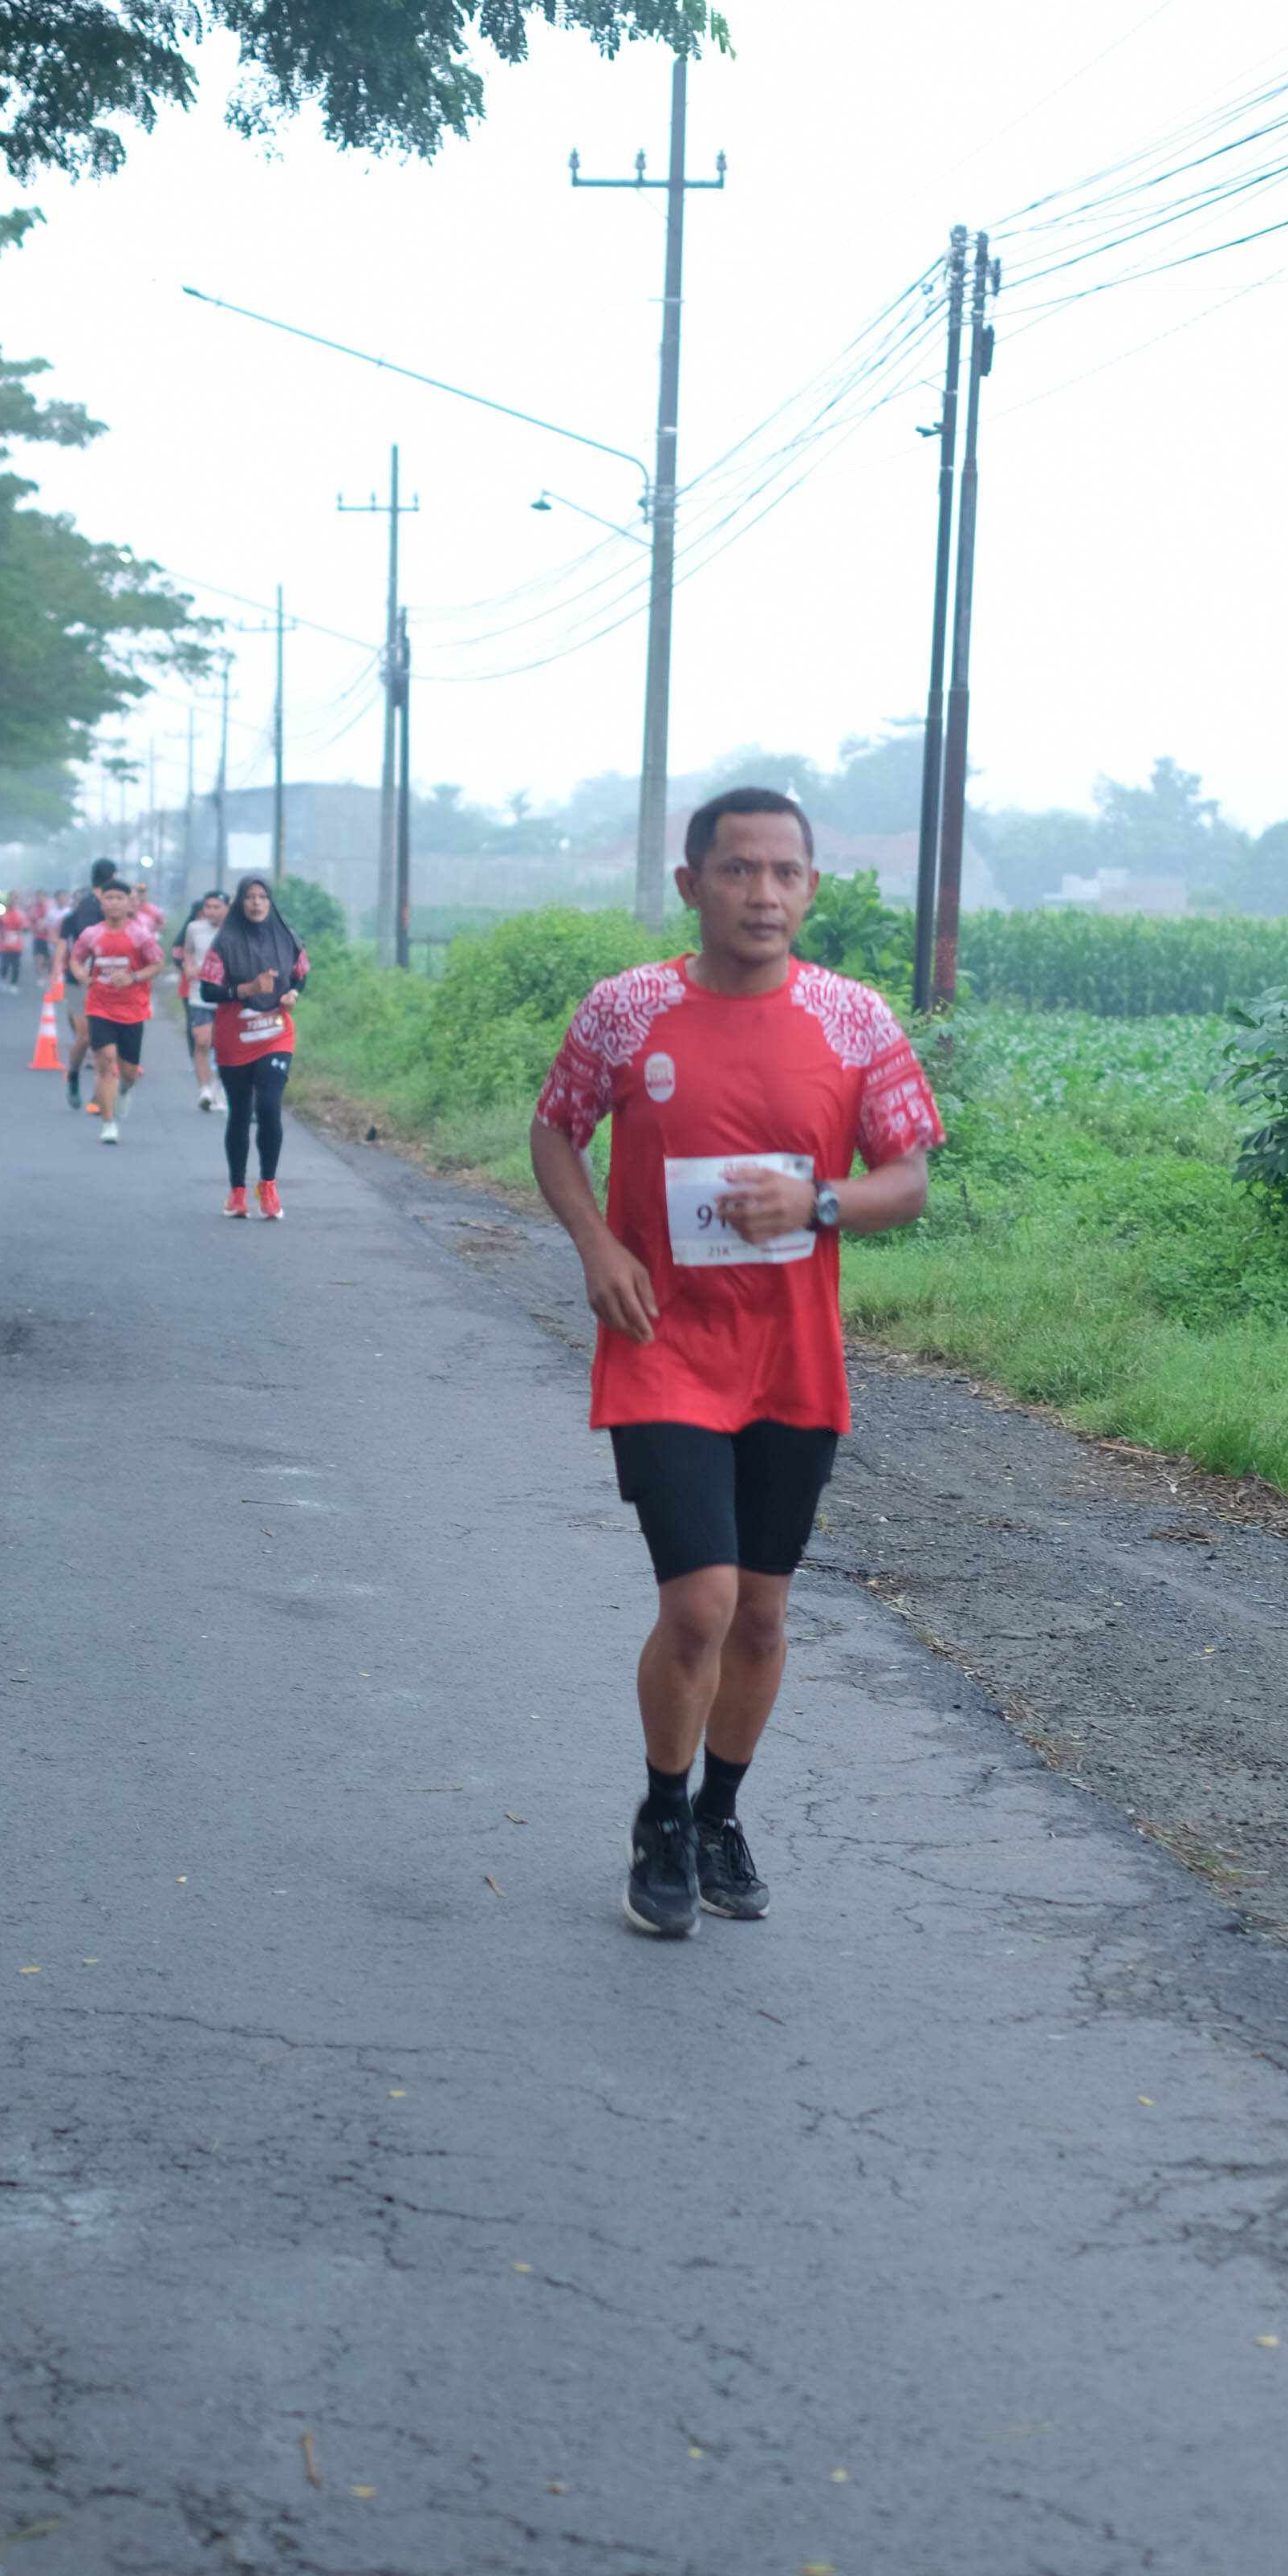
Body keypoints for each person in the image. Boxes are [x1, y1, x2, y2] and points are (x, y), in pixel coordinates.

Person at [530, 787, 942, 1940]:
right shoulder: (627, 1010)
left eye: (785, 873)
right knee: (702, 1604)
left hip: (791, 1358)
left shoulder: (854, 1019)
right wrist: (596, 1245)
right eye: (737, 870)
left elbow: (908, 1178)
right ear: (691, 884)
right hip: (663, 1343)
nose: (763, 894)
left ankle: (718, 1814)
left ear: (811, 887)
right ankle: (662, 1816)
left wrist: (820, 1202)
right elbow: (556, 1128)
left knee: (761, 1614)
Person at [198, 875, 307, 1217]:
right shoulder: (224, 942)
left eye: (262, 896)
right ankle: (237, 1191)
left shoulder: (288, 937)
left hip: (276, 1034)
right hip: (236, 1037)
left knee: (270, 1106)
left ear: (270, 901)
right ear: (240, 903)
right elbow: (207, 990)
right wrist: (245, 990)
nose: (256, 903)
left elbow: (300, 974)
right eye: (249, 897)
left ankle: (269, 1185)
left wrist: (293, 994)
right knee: (241, 1113)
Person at [66, 877, 164, 1144]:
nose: (114, 903)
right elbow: (75, 958)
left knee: (129, 1073)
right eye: (109, 898)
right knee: (105, 1062)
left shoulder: (140, 934)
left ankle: (124, 1091)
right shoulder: (92, 934)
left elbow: (158, 964)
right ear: (102, 903)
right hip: (100, 1006)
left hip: (133, 1009)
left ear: (129, 903)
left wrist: (134, 977)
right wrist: (80, 973)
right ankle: (108, 1123)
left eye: (120, 898)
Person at [53, 858, 119, 1109]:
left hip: (107, 981)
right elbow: (65, 947)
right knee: (85, 1038)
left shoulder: (119, 914)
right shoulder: (79, 914)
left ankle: (99, 1091)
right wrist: (62, 972)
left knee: (100, 1041)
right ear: (113, 876)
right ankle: (73, 1075)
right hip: (80, 980)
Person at [177, 889, 230, 1111]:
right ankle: (205, 1090)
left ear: (227, 908)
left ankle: (219, 1087)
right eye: (208, 907)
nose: (211, 911)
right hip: (199, 993)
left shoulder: (236, 930)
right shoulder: (194, 928)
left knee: (224, 1046)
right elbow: (187, 951)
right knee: (202, 1041)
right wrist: (188, 966)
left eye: (217, 907)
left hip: (227, 996)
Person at [0, 891, 26, 987]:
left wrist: (21, 927)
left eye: (14, 899)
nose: (12, 901)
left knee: (16, 965)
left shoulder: (21, 914)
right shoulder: (1, 913)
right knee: (4, 964)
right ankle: (3, 980)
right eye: (10, 899)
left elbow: (26, 927)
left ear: (17, 901)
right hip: (4, 945)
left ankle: (13, 984)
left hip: (17, 945)